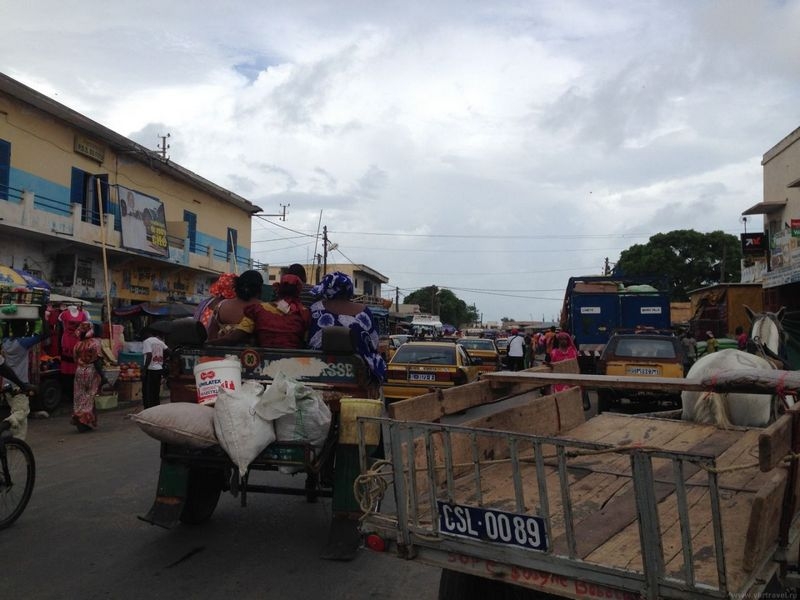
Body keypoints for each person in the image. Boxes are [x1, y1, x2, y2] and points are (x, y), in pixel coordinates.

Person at [307, 272, 386, 397]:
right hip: (360, 373)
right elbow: (374, 344)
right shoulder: (365, 312)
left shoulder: (315, 309)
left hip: (317, 369)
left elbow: (306, 338)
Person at [244, 273, 311, 348]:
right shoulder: (304, 312)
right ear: (299, 290)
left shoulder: (258, 309)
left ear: (279, 288)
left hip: (264, 357)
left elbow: (238, 335)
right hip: (293, 358)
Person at [1, 320, 39, 440]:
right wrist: (41, 316)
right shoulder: (23, 343)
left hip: (6, 384)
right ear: (23, 329)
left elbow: (8, 332)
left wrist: (9, 322)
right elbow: (46, 334)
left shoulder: (5, 342)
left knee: (18, 410)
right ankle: (6, 425)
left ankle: (17, 441)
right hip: (19, 384)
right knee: (21, 411)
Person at [206, 270, 265, 345]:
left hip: (222, 355)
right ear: (259, 288)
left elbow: (211, 336)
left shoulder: (221, 306)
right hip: (254, 355)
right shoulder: (264, 308)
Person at [71, 322, 109, 432]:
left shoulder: (77, 345)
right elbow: (97, 361)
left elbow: (75, 359)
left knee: (79, 397)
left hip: (79, 371)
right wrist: (103, 376)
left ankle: (80, 417)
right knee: (89, 397)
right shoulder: (95, 343)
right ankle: (84, 421)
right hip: (91, 371)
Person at [58, 303, 91, 403]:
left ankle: (76, 392)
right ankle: (67, 392)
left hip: (77, 340)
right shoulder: (64, 314)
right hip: (67, 340)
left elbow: (86, 329)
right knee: (67, 366)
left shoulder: (83, 315)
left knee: (77, 366)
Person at [142, 329, 169, 409]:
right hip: (159, 369)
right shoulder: (160, 342)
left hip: (150, 369)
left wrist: (144, 370)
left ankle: (148, 409)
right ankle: (156, 408)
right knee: (156, 391)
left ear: (147, 334)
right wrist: (162, 359)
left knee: (147, 392)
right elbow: (169, 351)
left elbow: (149, 355)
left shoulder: (147, 341)